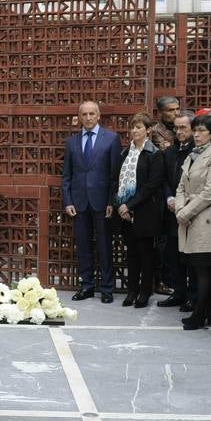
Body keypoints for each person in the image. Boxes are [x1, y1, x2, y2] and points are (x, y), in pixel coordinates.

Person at [62, 101, 122, 303]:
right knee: (83, 246)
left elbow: (115, 176)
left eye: (92, 114)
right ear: (79, 117)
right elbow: (67, 175)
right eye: (84, 114)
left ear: (98, 116)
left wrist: (111, 202)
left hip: (102, 203)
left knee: (105, 246)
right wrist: (68, 200)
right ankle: (86, 286)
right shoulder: (71, 142)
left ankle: (106, 289)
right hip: (78, 203)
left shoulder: (112, 139)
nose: (88, 118)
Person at [172, 113, 211, 330]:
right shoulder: (191, 156)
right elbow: (180, 187)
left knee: (205, 267)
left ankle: (201, 312)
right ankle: (202, 309)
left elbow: (210, 193)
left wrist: (185, 212)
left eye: (202, 130)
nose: (196, 134)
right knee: (195, 266)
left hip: (205, 219)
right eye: (195, 130)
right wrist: (180, 207)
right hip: (188, 214)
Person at [113, 113, 165, 308]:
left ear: (148, 130)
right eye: (133, 127)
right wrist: (120, 205)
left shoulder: (154, 153)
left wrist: (131, 205)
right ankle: (131, 290)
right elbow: (117, 181)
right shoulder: (125, 153)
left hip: (145, 211)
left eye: (139, 127)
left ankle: (144, 291)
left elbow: (152, 185)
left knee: (146, 254)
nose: (135, 130)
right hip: (125, 213)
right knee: (131, 254)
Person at [157, 112, 194, 309]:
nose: (179, 132)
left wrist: (183, 203)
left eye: (183, 128)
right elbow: (163, 179)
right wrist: (169, 197)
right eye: (176, 128)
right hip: (172, 211)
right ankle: (178, 292)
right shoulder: (170, 152)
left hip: (191, 213)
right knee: (174, 255)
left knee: (191, 258)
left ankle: (192, 295)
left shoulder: (198, 152)